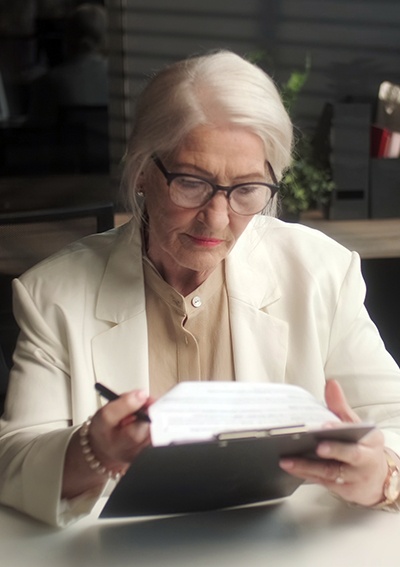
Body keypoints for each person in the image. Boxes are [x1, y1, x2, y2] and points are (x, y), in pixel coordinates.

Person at [1, 51, 400, 527]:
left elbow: (393, 418)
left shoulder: (321, 273)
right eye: (191, 183)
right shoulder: (52, 294)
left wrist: (382, 474)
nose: (216, 218)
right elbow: (13, 462)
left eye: (247, 189)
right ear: (142, 169)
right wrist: (94, 452)